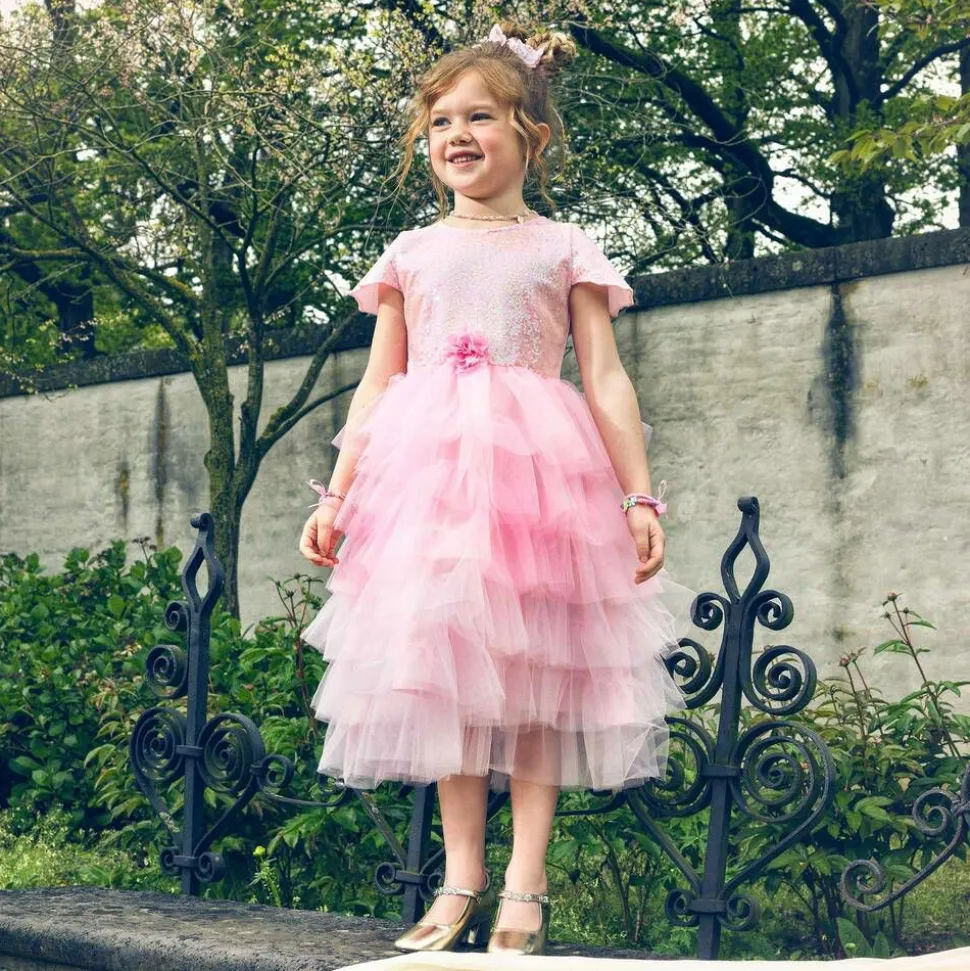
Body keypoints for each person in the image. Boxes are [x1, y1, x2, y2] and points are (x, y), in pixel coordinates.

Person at [298, 19, 697, 957]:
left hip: (536, 484)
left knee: (535, 684)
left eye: (481, 116)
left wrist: (639, 497)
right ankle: (460, 878)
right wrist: (337, 493)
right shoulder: (411, 252)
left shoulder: (565, 248)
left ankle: (527, 881)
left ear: (533, 136)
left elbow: (605, 377)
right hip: (429, 482)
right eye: (441, 122)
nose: (458, 135)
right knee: (450, 680)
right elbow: (377, 382)